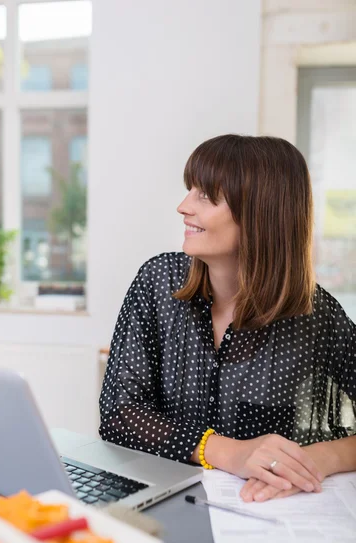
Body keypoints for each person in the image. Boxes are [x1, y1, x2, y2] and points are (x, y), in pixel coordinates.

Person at [99, 134, 356, 503]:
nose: (183, 206)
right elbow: (119, 414)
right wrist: (229, 453)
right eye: (190, 190)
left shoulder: (317, 317)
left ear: (260, 213)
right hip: (163, 506)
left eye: (205, 195)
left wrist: (318, 458)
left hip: (265, 515)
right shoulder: (157, 282)